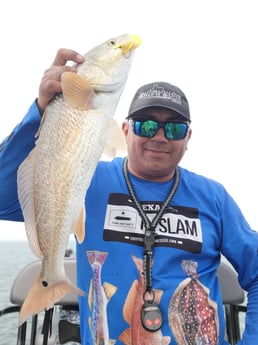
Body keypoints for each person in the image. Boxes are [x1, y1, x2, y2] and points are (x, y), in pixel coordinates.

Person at [0, 49, 257, 345]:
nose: (159, 136)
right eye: (145, 125)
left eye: (174, 128)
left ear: (187, 138)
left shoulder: (214, 197)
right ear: (125, 130)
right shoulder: (86, 180)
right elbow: (3, 199)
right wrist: (42, 111)